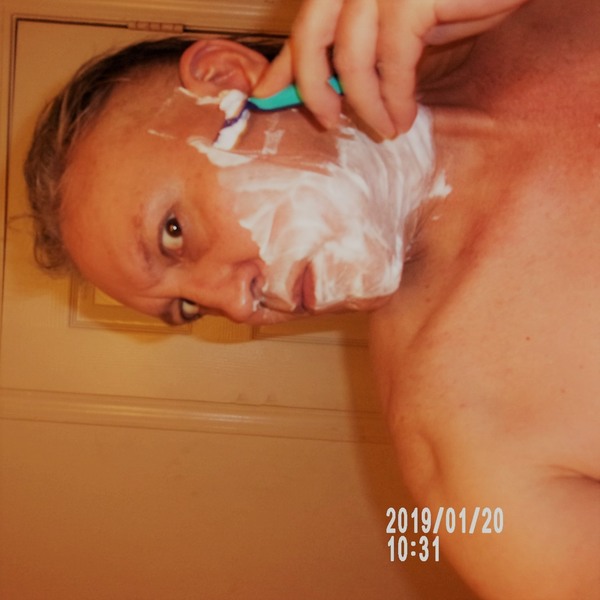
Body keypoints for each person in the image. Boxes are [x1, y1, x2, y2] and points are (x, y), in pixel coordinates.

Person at [23, 0, 599, 598]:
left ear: (225, 79)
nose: (239, 307)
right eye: (188, 309)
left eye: (173, 232)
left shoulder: (504, 11)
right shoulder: (469, 468)